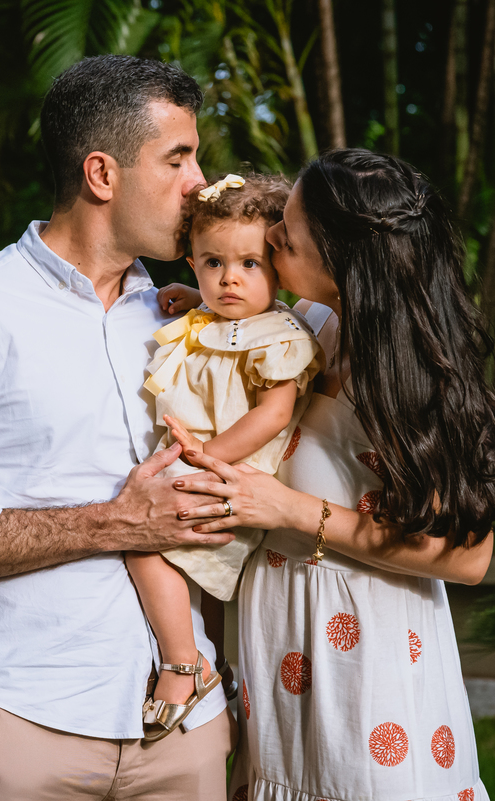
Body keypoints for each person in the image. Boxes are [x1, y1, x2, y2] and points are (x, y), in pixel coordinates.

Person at [0, 55, 238, 800]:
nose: (200, 181)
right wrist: (114, 522)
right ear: (101, 174)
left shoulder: (189, 317)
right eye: (178, 158)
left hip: (187, 732)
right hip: (22, 727)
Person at [166, 149, 495, 800]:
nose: (269, 238)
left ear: (342, 264)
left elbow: (468, 556)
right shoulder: (314, 327)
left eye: (286, 237)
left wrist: (290, 510)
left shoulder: (409, 377)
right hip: (281, 643)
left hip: (368, 661)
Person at [126, 172, 323, 741]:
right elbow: (218, 325)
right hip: (203, 462)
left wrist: (205, 457)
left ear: (277, 267)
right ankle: (216, 665)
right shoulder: (218, 320)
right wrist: (199, 303)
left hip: (230, 471)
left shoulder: (279, 336)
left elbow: (273, 415)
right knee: (199, 583)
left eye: (249, 265)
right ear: (192, 265)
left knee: (141, 543)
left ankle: (182, 666)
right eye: (213, 265)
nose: (229, 278)